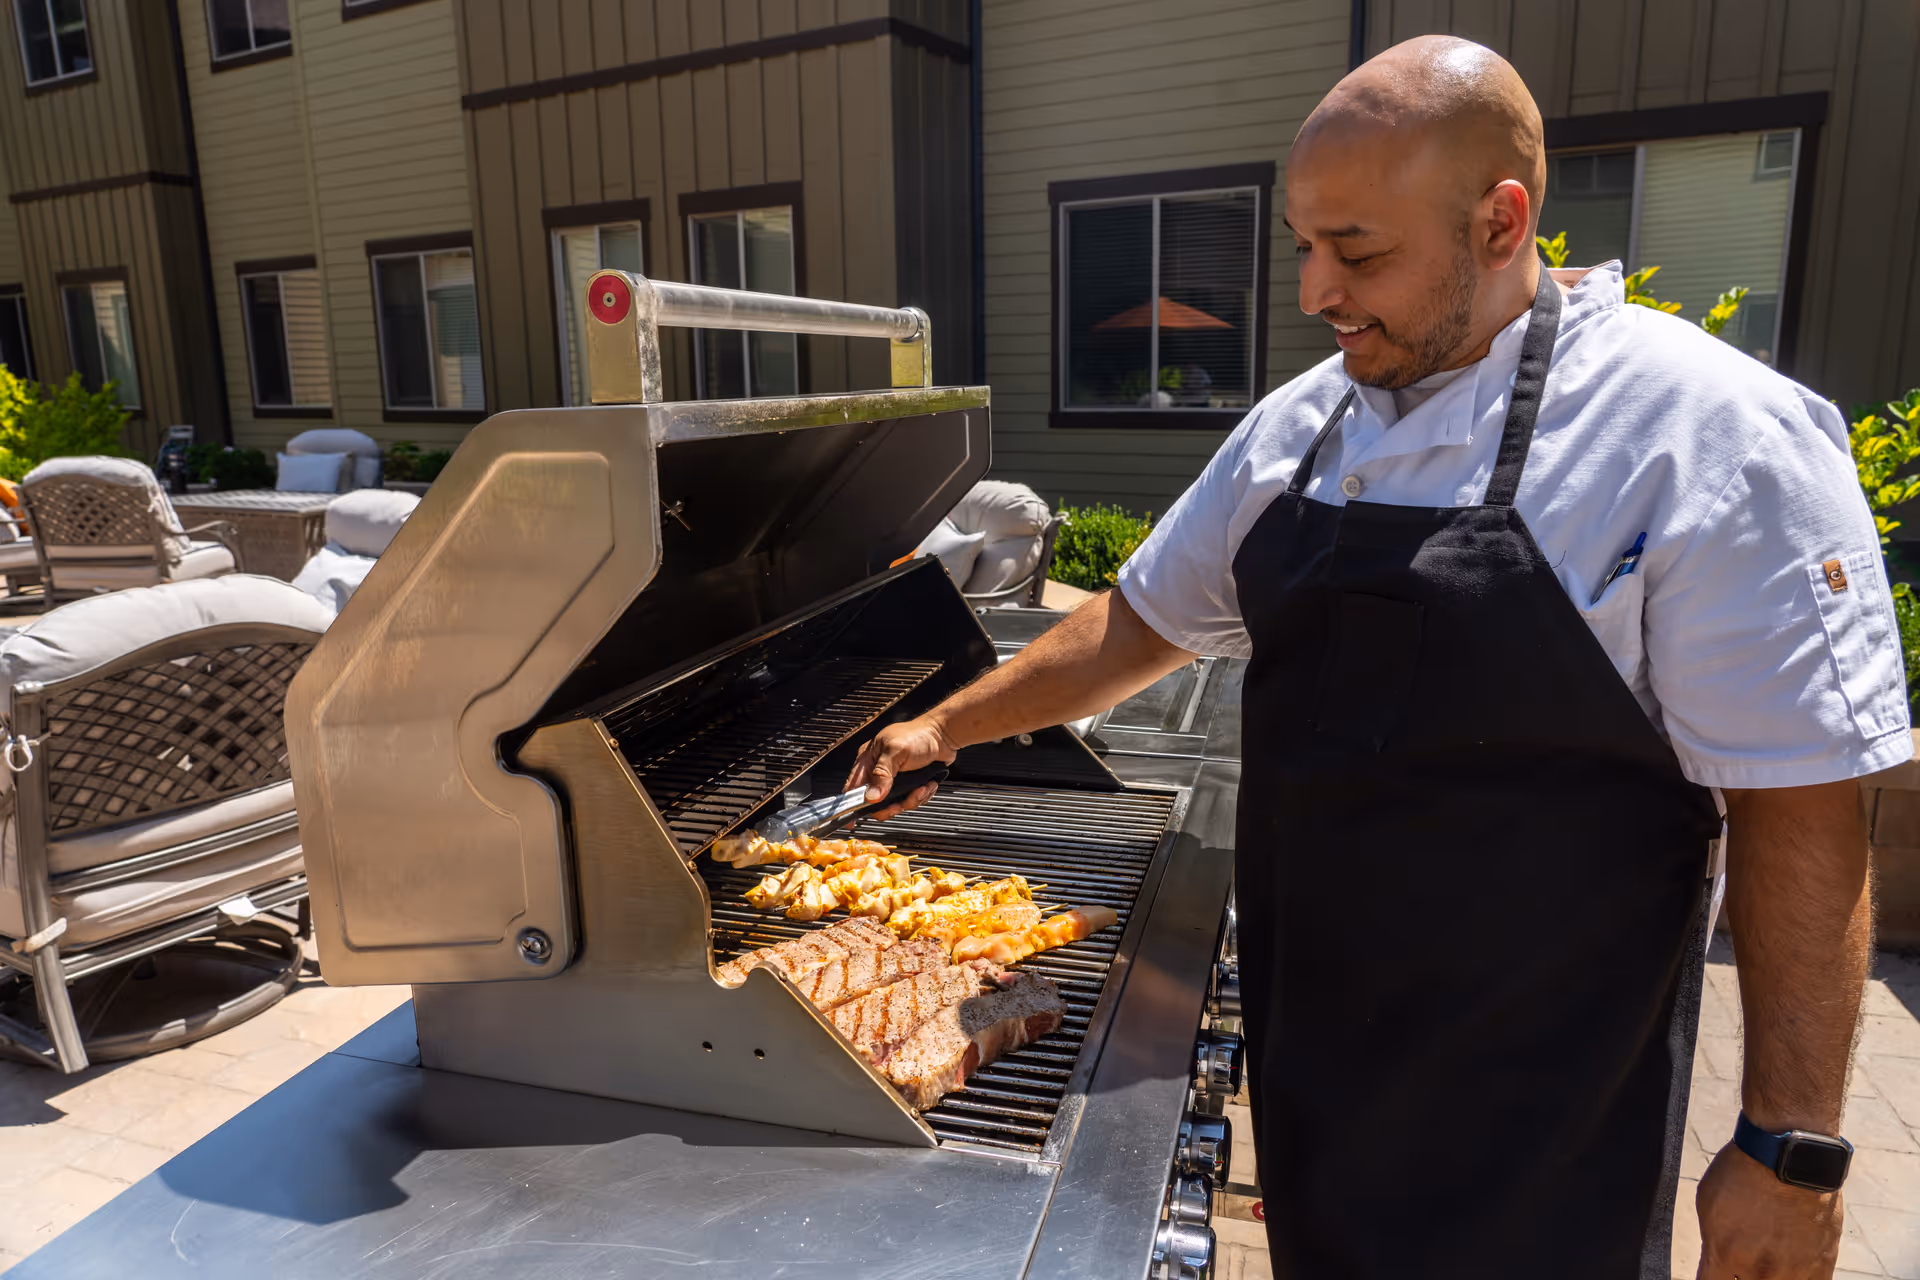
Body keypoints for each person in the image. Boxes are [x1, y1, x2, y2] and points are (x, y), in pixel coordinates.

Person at [848, 34, 1898, 1280]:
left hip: (1546, 1119)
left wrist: (1791, 1146)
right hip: (1319, 1069)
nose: (1313, 290)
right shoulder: (1299, 427)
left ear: (1501, 221)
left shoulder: (1701, 434)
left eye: (1358, 251)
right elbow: (1138, 622)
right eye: (1304, 244)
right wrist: (946, 726)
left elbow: (1804, 803)